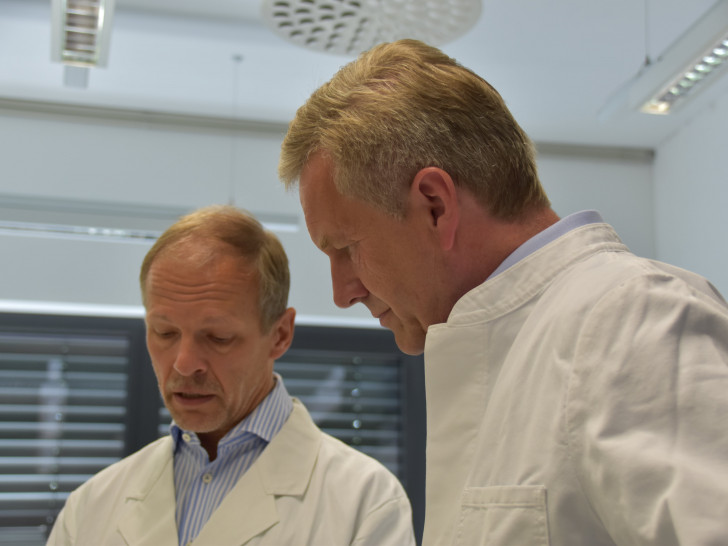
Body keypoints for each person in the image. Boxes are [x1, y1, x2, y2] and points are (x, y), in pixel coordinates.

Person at [278, 39, 728, 545]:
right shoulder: (505, 348)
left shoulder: (634, 318)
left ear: (435, 206)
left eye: (346, 248)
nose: (343, 292)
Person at [47, 205, 416, 546]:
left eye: (218, 337)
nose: (184, 363)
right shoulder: (91, 507)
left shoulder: (365, 502)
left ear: (280, 335)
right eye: (165, 333)